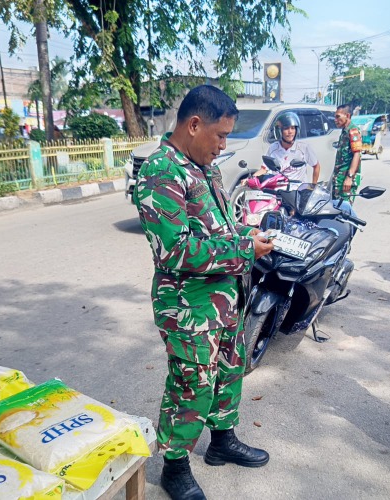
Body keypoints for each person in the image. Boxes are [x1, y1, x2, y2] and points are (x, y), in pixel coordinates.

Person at [133, 85, 274, 500]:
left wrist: (247, 233)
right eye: (220, 135)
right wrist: (244, 248)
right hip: (188, 305)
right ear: (194, 125)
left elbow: (221, 227)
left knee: (230, 368)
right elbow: (175, 249)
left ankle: (222, 441)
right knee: (192, 383)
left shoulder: (204, 167)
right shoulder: (161, 172)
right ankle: (175, 466)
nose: (224, 145)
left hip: (224, 296)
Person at [250, 111, 320, 183]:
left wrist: (312, 186)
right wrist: (250, 179)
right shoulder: (273, 148)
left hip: (298, 190)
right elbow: (264, 169)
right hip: (278, 190)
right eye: (286, 128)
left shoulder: (303, 148)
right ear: (279, 131)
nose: (290, 131)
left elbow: (316, 166)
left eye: (293, 128)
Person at [331, 103, 363, 204]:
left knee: (344, 210)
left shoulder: (353, 131)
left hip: (346, 180)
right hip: (339, 179)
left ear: (347, 115)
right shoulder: (344, 131)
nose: (335, 119)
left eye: (338, 116)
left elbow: (356, 154)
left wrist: (349, 177)